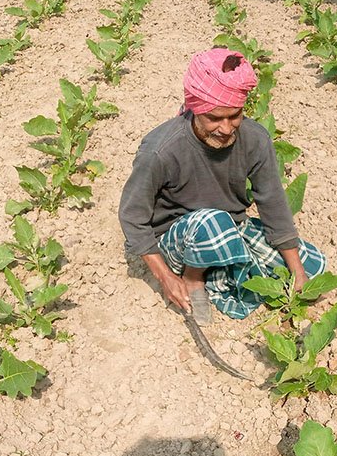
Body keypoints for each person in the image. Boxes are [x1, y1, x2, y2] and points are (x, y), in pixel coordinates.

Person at [118, 47, 326, 325]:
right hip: (177, 235)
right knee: (213, 223)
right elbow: (132, 216)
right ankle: (194, 279)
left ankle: (221, 268)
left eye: (234, 116)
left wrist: (298, 270)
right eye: (214, 118)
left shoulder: (255, 139)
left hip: (229, 227)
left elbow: (273, 203)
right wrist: (165, 277)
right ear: (195, 109)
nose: (226, 128)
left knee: (311, 263)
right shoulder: (161, 150)